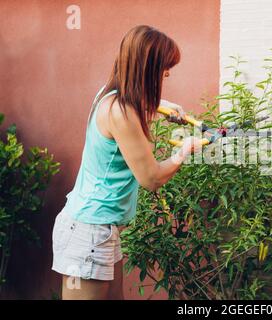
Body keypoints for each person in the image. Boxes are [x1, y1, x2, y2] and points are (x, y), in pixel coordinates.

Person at [51, 25, 203, 300]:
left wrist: (164, 105)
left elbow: (136, 98)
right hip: (89, 232)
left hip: (99, 230)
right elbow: (152, 178)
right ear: (147, 67)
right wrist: (184, 151)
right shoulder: (121, 113)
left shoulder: (108, 95)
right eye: (164, 67)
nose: (168, 73)